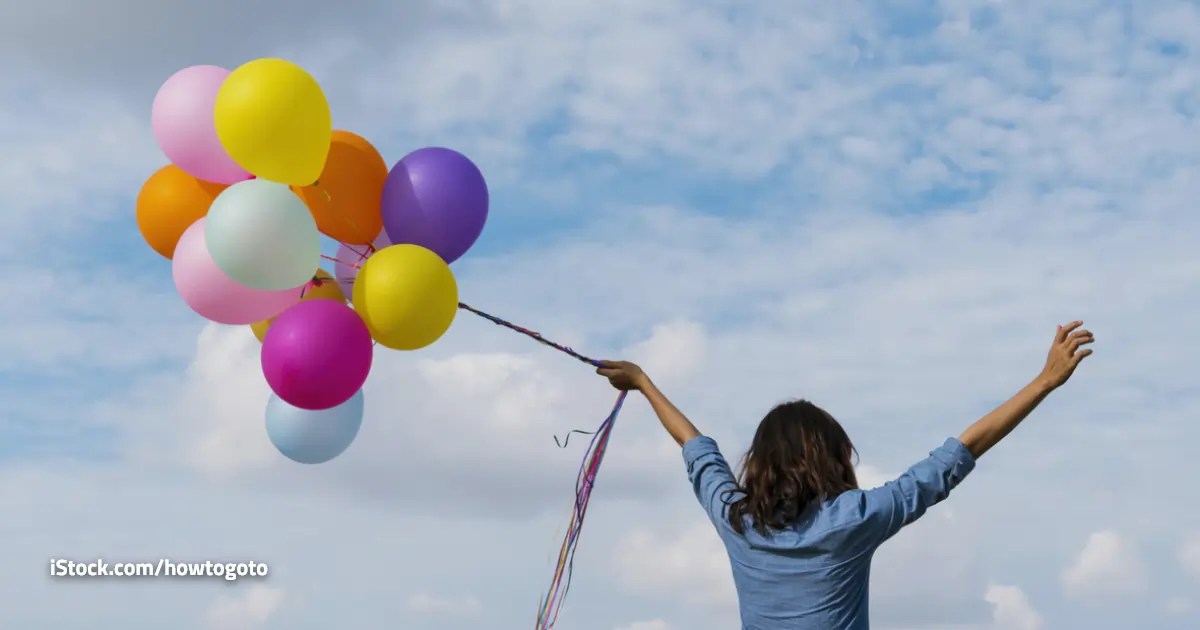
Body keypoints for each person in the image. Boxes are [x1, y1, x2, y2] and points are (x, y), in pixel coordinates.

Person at [596, 321, 1095, 629]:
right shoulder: (853, 520)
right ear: (832, 458)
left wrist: (643, 382)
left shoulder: (737, 521)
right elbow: (960, 453)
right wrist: (1044, 382)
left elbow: (695, 447)